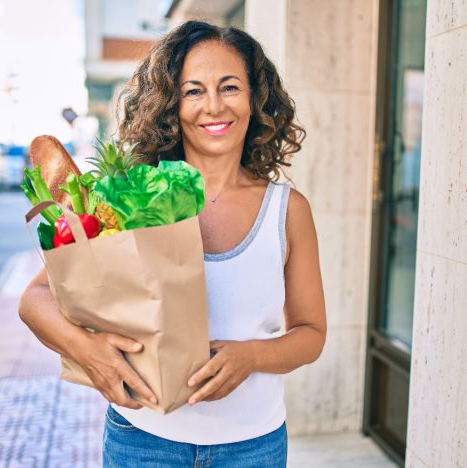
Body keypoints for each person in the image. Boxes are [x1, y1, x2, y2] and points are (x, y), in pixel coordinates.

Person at [19, 20, 326, 467]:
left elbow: (311, 334)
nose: (214, 107)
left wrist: (252, 356)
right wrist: (88, 350)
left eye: (230, 87)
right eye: (193, 91)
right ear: (171, 104)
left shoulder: (288, 210)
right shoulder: (131, 195)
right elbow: (34, 299)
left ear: (256, 99)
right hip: (143, 440)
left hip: (253, 446)